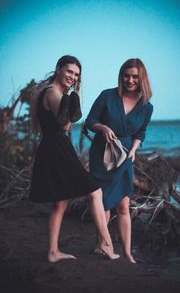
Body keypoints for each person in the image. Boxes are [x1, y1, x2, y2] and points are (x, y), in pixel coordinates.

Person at [29, 55, 119, 262]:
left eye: (76, 74)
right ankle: (106, 244)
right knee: (95, 191)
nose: (73, 76)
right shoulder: (53, 92)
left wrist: (70, 96)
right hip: (57, 148)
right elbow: (66, 125)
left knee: (61, 202)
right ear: (58, 69)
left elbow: (65, 121)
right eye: (69, 71)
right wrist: (74, 96)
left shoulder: (55, 92)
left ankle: (53, 251)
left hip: (54, 147)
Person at [85, 58, 153, 263]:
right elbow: (90, 121)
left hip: (125, 157)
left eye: (134, 76)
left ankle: (127, 253)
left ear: (142, 79)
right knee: (102, 203)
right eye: (127, 75)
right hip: (102, 155)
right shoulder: (107, 95)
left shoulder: (146, 107)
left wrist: (133, 149)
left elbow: (141, 133)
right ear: (121, 76)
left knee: (124, 205)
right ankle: (104, 245)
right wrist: (103, 128)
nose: (130, 80)